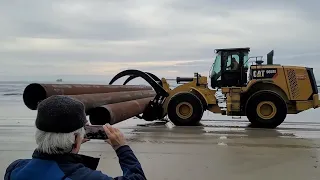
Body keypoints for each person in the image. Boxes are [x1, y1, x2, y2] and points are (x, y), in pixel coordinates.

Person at [4, 95, 147, 180]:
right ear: (75, 137)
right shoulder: (86, 177)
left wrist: (71, 145)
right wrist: (122, 148)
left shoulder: (15, 168)